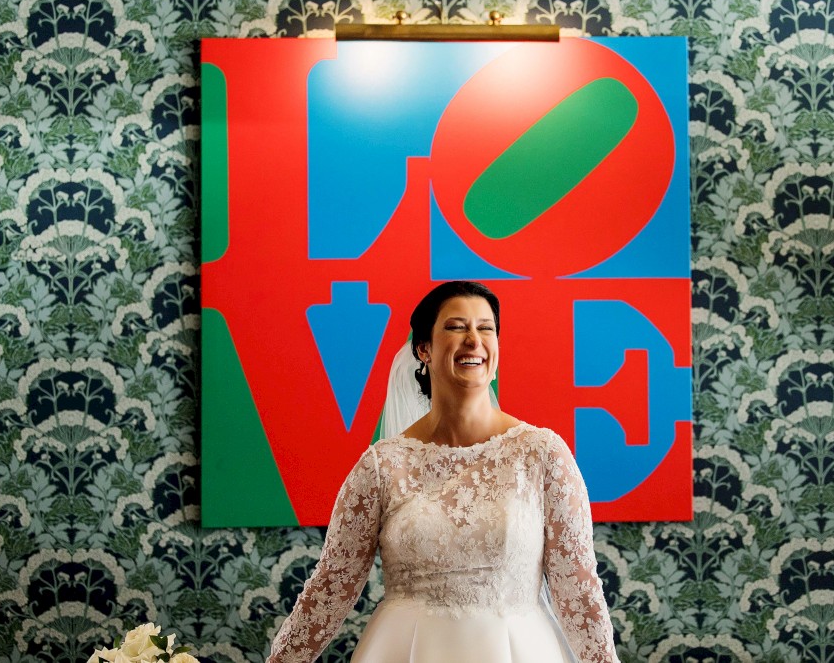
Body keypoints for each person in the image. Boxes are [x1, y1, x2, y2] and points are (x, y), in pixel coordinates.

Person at [265, 281, 620, 663]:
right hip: (405, 650)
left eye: (486, 328)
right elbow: (331, 587)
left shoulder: (542, 455)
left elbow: (578, 591)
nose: (474, 340)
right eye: (456, 327)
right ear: (424, 349)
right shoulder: (382, 467)